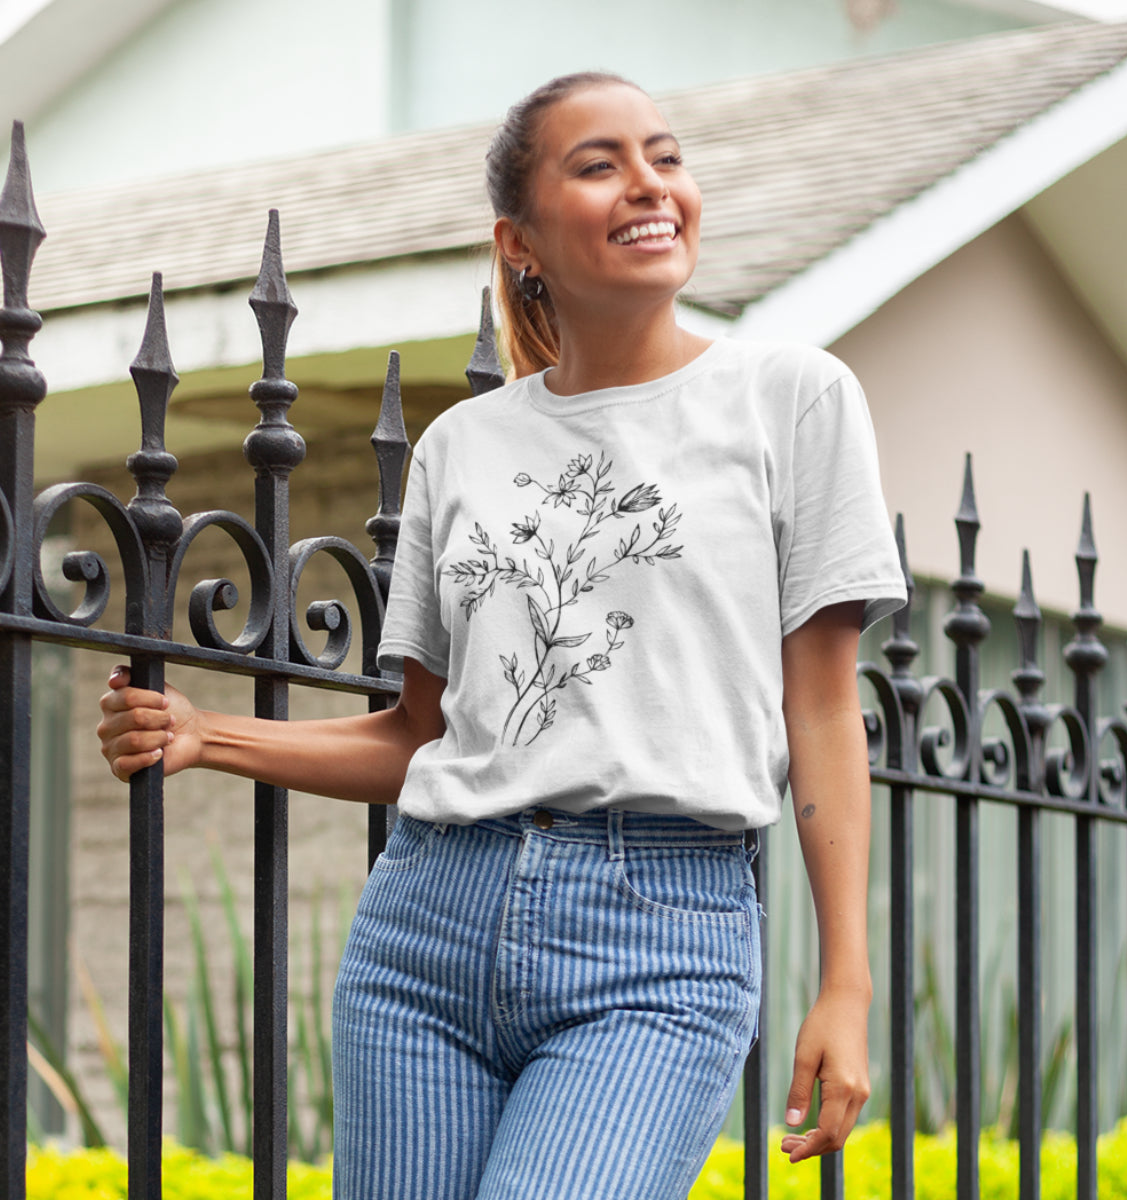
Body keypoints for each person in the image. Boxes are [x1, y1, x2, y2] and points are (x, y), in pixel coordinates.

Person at [98, 71, 907, 1200]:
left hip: (657, 944)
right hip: (427, 933)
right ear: (518, 242)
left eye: (666, 157)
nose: (650, 184)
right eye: (601, 165)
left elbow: (820, 711)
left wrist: (846, 984)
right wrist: (207, 736)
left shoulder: (793, 399)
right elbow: (422, 737)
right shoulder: (461, 446)